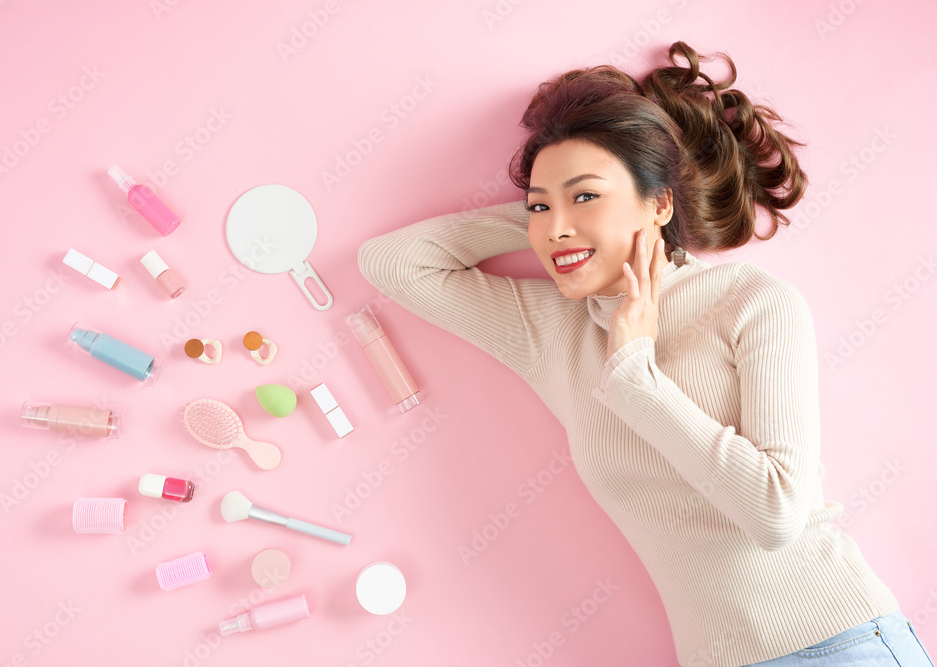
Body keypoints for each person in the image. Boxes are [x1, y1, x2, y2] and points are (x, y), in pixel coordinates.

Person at [355, 41, 934, 667]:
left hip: (838, 643)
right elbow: (393, 263)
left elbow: (777, 514)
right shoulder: (553, 327)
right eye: (539, 207)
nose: (554, 229)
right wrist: (575, 216)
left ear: (662, 203)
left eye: (584, 196)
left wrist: (636, 375)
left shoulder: (752, 301)